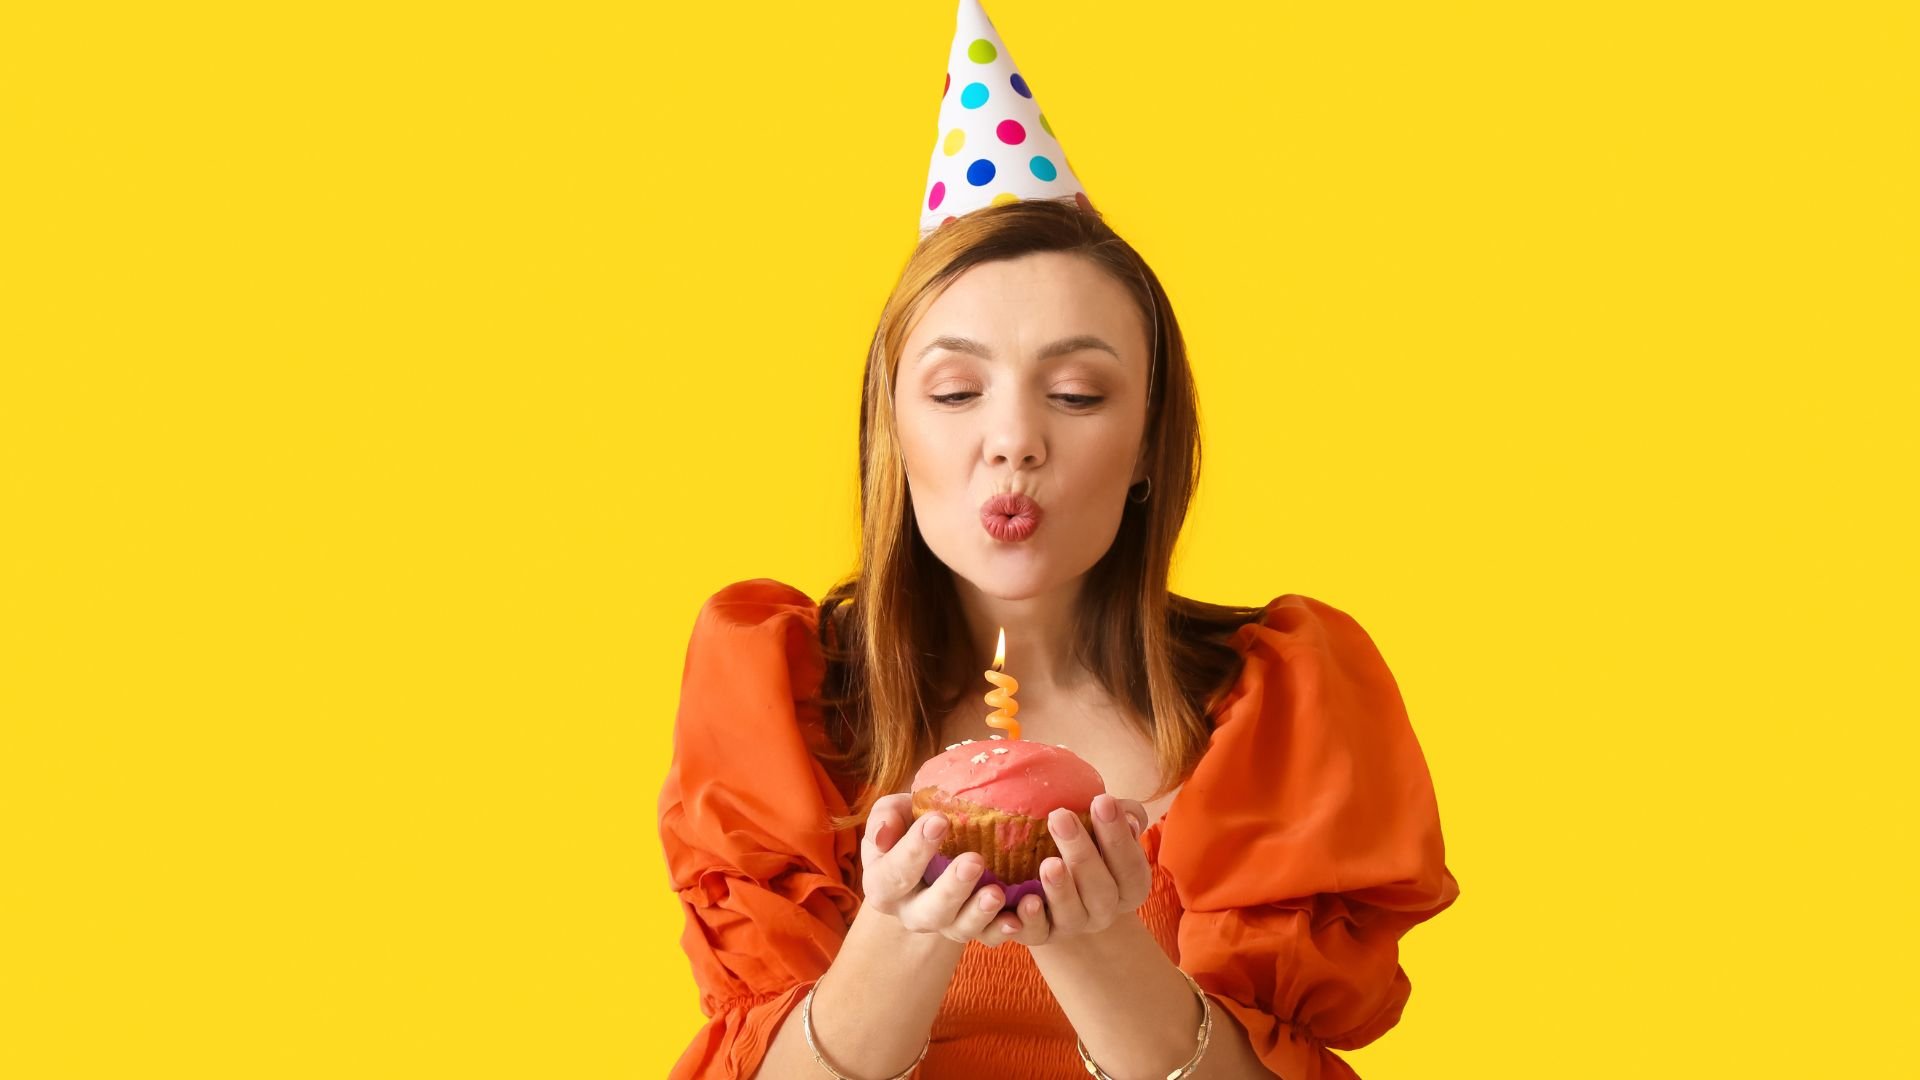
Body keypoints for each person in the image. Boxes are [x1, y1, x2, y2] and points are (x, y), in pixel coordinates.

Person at [658, 4, 1459, 1077]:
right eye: (954, 390)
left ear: (1145, 449)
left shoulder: (1280, 708)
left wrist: (1097, 945)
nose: (1013, 443)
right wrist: (905, 928)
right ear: (892, 434)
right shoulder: (777, 692)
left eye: (1078, 394)